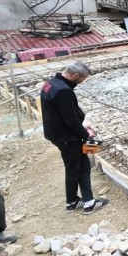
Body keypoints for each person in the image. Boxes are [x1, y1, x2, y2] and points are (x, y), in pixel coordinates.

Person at [40, 62, 109, 215]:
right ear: (75, 76)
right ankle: (89, 203)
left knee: (71, 168)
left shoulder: (51, 83)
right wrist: (86, 135)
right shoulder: (64, 91)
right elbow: (70, 120)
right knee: (82, 167)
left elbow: (66, 111)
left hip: (56, 134)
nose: (82, 82)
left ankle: (72, 202)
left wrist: (83, 123)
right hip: (68, 137)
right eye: (82, 79)